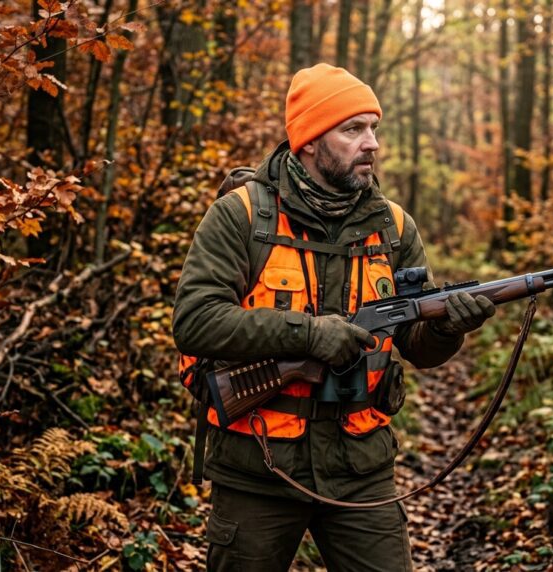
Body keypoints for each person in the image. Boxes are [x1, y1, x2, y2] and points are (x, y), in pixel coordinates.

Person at [172, 63, 496, 572]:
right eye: (352, 129)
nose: (372, 143)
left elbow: (418, 347)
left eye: (374, 128)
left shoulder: (393, 226)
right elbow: (195, 321)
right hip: (258, 469)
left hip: (361, 467)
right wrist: (309, 334)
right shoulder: (241, 216)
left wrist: (447, 326)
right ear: (308, 142)